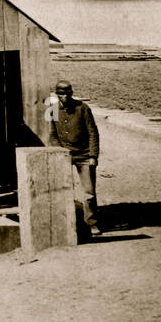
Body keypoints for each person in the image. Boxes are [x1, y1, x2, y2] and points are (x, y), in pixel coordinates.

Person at [49, 80, 102, 237]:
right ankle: (67, 224)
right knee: (63, 190)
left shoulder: (83, 108)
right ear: (56, 95)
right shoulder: (52, 110)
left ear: (71, 93)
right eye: (59, 94)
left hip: (84, 155)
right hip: (65, 155)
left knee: (89, 192)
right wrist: (59, 152)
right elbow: (52, 134)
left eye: (65, 94)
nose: (63, 97)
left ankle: (92, 223)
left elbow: (93, 133)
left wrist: (93, 155)